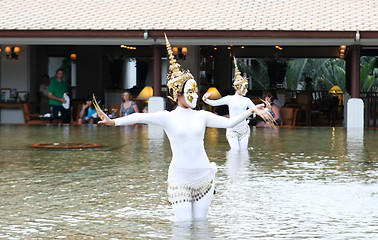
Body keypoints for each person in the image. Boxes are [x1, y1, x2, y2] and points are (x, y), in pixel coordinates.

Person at [93, 34, 273, 223]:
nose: (195, 95)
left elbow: (229, 123)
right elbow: (139, 117)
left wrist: (251, 110)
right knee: (183, 225)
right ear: (177, 94)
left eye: (196, 91)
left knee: (200, 225)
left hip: (204, 176)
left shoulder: (202, 116)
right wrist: (114, 122)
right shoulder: (167, 117)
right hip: (180, 178)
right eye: (190, 92)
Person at [202, 57, 258, 150]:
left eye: (246, 87)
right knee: (235, 151)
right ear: (237, 87)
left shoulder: (246, 100)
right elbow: (215, 103)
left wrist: (267, 108)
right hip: (232, 130)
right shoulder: (229, 99)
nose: (246, 90)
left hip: (244, 130)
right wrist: (205, 99)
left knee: (244, 152)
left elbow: (256, 109)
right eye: (244, 87)